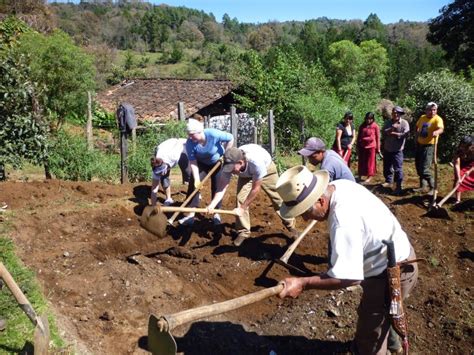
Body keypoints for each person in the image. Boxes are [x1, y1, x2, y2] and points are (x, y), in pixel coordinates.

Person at [275, 165, 418, 355]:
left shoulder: (343, 220)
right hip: (401, 256)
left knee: (370, 335)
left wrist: (302, 283)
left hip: (390, 273)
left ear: (320, 200)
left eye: (304, 211)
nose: (303, 218)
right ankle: (394, 345)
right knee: (386, 310)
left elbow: (348, 278)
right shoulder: (339, 186)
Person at [206, 145, 297, 246]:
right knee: (241, 198)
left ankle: (291, 226)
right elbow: (221, 188)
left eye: (231, 168)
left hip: (266, 170)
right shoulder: (229, 166)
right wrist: (212, 205)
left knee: (277, 198)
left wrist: (243, 208)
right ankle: (243, 232)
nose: (230, 171)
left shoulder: (256, 163)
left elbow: (255, 189)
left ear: (240, 162)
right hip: (245, 174)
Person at [180, 118, 234, 225]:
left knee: (217, 186)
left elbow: (230, 138)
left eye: (192, 134)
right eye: (189, 135)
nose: (190, 137)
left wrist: (226, 154)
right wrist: (196, 179)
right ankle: (191, 214)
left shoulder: (213, 134)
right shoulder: (190, 143)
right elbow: (193, 162)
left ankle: (216, 213)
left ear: (200, 131)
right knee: (194, 185)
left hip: (217, 162)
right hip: (201, 163)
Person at [150, 138, 190, 207]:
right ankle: (168, 199)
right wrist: (153, 207)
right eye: (158, 174)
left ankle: (195, 193)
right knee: (164, 178)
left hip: (180, 147)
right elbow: (154, 190)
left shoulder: (173, 155)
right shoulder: (156, 168)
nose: (159, 175)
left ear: (165, 166)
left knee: (188, 172)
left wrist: (193, 142)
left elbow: (180, 141)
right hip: (162, 148)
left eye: (161, 172)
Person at [414, 102, 444, 194]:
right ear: (426, 110)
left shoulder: (437, 119)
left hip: (429, 146)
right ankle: (423, 186)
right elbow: (417, 127)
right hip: (419, 145)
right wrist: (417, 132)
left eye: (434, 110)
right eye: (430, 109)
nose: (432, 111)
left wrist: (437, 132)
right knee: (418, 167)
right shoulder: (422, 117)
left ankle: (433, 188)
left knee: (425, 169)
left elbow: (441, 128)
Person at [382, 106, 410, 195]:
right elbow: (383, 131)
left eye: (397, 113)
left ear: (400, 114)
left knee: (398, 169)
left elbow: (406, 134)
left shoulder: (404, 123)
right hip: (387, 148)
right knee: (387, 166)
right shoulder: (388, 122)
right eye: (394, 113)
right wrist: (391, 128)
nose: (395, 114)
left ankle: (398, 186)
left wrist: (394, 133)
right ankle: (388, 181)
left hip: (397, 150)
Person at [357, 112, 381, 184]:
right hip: (362, 146)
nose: (368, 120)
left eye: (370, 119)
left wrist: (378, 148)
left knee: (370, 162)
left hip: (371, 147)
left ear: (373, 119)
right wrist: (357, 146)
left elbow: (377, 137)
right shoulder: (362, 126)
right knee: (361, 161)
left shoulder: (375, 126)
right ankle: (360, 175)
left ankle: (369, 176)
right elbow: (359, 137)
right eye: (367, 119)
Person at [452, 135, 474, 204]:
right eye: (462, 145)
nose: (463, 148)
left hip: (472, 164)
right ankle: (458, 200)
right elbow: (457, 164)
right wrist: (459, 177)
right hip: (463, 164)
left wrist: (469, 171)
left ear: (470, 145)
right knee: (458, 178)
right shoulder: (459, 150)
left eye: (465, 146)